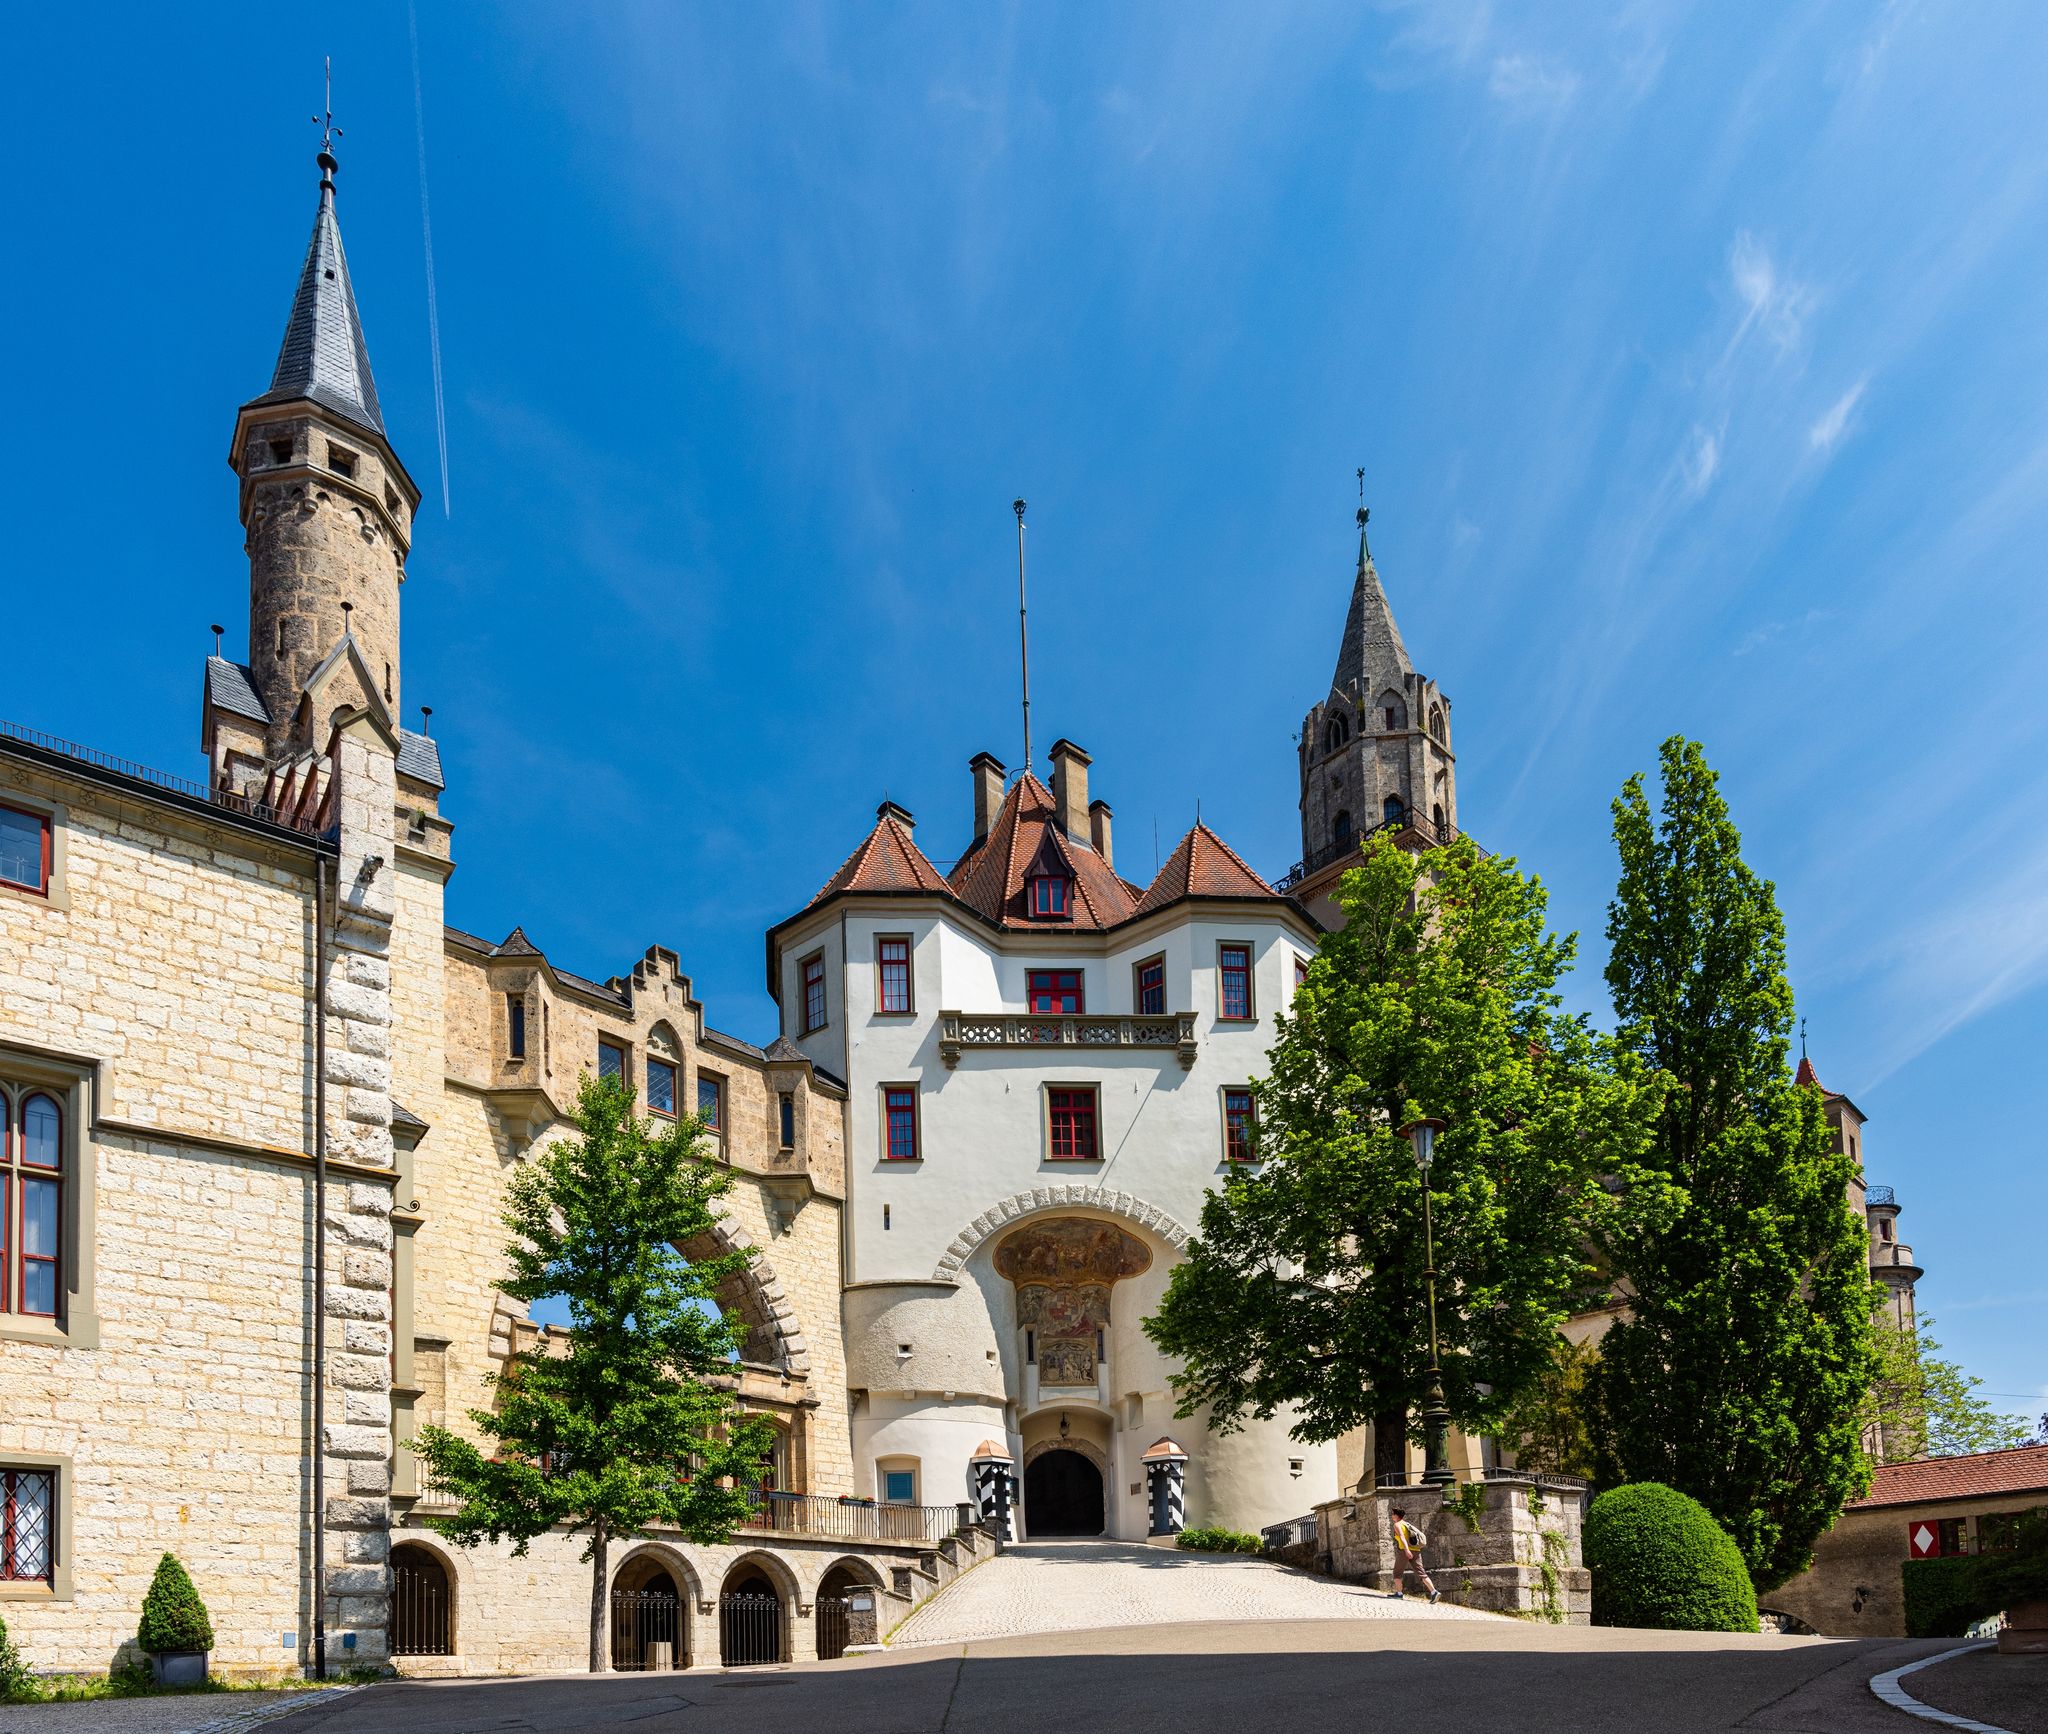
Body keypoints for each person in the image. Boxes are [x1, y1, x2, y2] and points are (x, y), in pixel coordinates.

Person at [1389, 1506, 1440, 1603]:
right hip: (1416, 1550)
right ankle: (1434, 1592)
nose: (1392, 1516)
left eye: (1393, 1514)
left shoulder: (1397, 1525)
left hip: (1404, 1551)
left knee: (1397, 1573)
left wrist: (1407, 1550)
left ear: (1396, 1516)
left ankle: (1399, 1594)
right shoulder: (1407, 1524)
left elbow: (1402, 1537)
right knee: (1421, 1572)